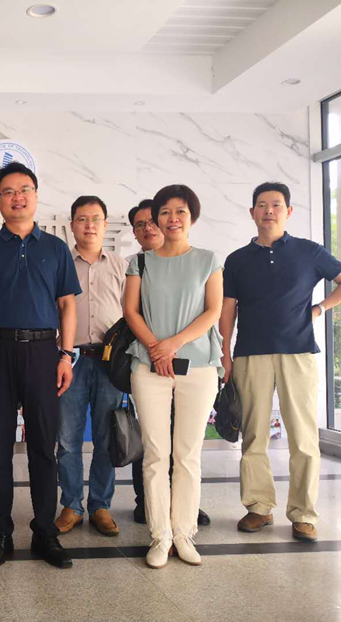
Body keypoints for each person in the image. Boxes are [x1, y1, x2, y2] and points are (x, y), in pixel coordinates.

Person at [0, 161, 80, 569]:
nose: (18, 197)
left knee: (43, 447)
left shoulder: (56, 249)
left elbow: (67, 305)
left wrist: (66, 355)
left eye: (25, 189)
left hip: (44, 352)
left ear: (36, 196)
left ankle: (45, 532)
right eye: (9, 191)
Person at [221, 182, 341, 543]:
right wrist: (225, 351)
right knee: (253, 435)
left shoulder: (310, 252)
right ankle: (259, 507)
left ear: (288, 211)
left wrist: (320, 308)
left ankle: (303, 514)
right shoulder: (237, 259)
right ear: (252, 212)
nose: (268, 210)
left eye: (275, 204)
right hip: (250, 353)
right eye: (261, 205)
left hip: (298, 352)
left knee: (303, 437)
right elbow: (228, 309)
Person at [123, 185, 222, 569]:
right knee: (155, 454)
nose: (172, 218)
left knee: (187, 454)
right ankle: (160, 535)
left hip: (198, 367)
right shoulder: (141, 262)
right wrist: (156, 349)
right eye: (165, 212)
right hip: (148, 367)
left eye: (180, 211)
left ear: (192, 217)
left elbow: (213, 311)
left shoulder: (208, 260)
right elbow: (131, 311)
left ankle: (184, 533)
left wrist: (173, 344)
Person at [55, 196, 126, 538]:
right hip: (71, 360)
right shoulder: (61, 266)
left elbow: (131, 315)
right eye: (82, 219)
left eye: (96, 218)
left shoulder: (121, 266)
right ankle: (71, 504)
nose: (89, 225)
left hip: (110, 362)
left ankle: (100, 505)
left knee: (106, 437)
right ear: (72, 225)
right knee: (67, 439)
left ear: (106, 224)